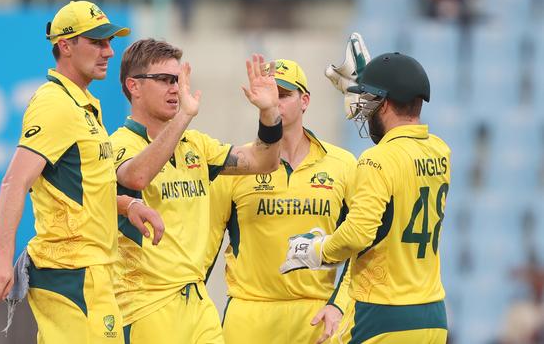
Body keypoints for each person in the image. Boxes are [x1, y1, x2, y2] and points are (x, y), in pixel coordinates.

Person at [0, 1, 165, 343]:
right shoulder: (55, 104)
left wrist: (129, 206)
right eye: (96, 42)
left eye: (109, 41)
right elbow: (15, 181)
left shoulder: (84, 103)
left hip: (87, 271)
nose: (108, 51)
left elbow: (84, 188)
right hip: (74, 273)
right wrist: (1, 258)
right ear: (65, 46)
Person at [109, 38, 282, 343]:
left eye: (177, 80)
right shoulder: (117, 144)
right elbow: (136, 177)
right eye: (164, 80)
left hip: (198, 301)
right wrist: (184, 117)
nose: (175, 88)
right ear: (133, 86)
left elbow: (265, 161)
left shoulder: (196, 145)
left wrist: (269, 114)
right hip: (147, 305)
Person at [281, 52, 451, 343]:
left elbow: (358, 233)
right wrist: (375, 79)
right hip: (433, 316)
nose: (363, 110)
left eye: (369, 101)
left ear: (383, 104)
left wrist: (316, 249)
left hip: (384, 313)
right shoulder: (440, 151)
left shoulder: (377, 159)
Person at [205, 59, 357, 344]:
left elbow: (361, 245)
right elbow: (205, 252)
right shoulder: (237, 165)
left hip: (316, 315)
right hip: (250, 313)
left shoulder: (343, 165)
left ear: (305, 101)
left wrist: (339, 304)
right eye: (270, 92)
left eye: (284, 95)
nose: (275, 101)